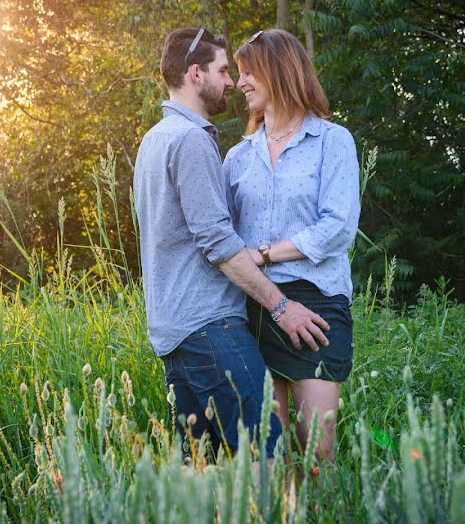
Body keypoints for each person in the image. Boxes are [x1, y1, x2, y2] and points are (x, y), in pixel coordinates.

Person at [133, 27, 332, 460]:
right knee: (269, 460)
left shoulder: (154, 139)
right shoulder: (190, 140)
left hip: (171, 333)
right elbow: (218, 244)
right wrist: (282, 307)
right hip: (210, 328)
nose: (231, 82)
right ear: (194, 73)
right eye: (223, 71)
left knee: (201, 470)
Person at [223, 28, 360, 460]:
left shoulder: (332, 141)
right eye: (238, 73)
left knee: (316, 450)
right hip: (256, 306)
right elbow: (222, 237)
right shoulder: (237, 157)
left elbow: (338, 227)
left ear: (280, 71)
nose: (240, 83)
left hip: (316, 305)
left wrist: (263, 253)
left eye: (249, 73)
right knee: (273, 450)